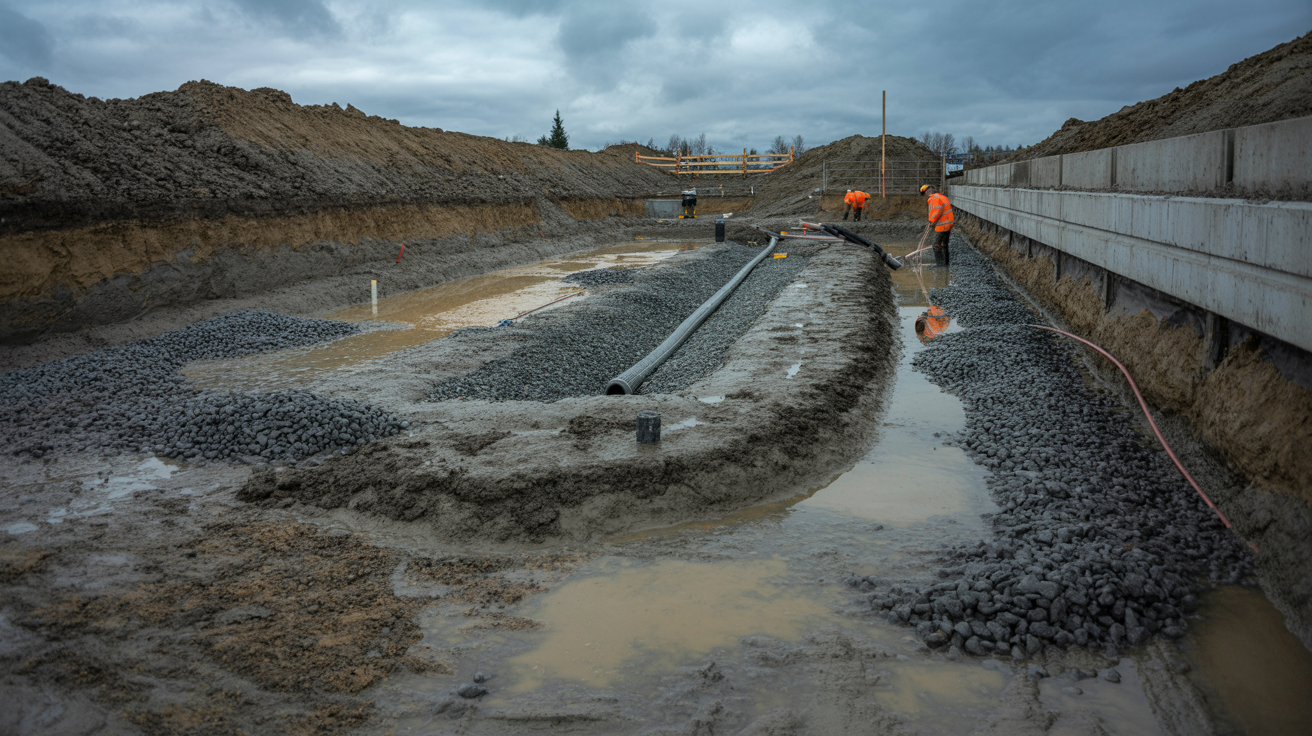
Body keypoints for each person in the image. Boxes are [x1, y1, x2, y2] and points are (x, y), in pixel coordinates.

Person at [920, 184, 954, 266]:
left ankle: (940, 265)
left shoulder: (934, 199)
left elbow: (936, 211)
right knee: (945, 245)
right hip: (948, 223)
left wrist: (931, 221)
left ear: (926, 193)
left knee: (936, 245)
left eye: (924, 195)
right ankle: (946, 264)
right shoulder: (941, 197)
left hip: (942, 225)